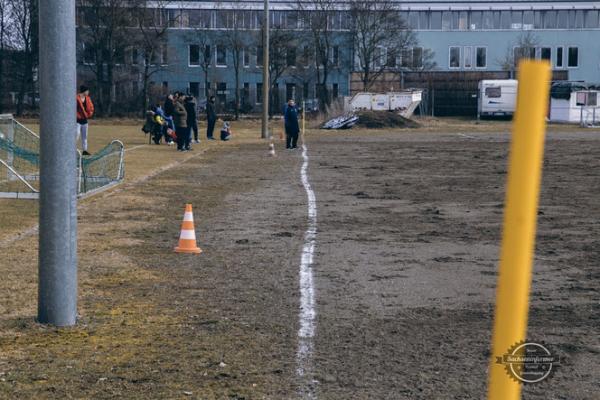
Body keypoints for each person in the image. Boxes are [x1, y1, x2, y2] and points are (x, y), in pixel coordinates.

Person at [76, 85, 94, 156]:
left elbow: (91, 108)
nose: (88, 92)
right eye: (87, 91)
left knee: (84, 137)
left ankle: (85, 150)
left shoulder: (88, 99)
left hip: (84, 121)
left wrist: (89, 114)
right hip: (77, 121)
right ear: (84, 91)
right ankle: (71, 149)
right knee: (76, 134)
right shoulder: (76, 98)